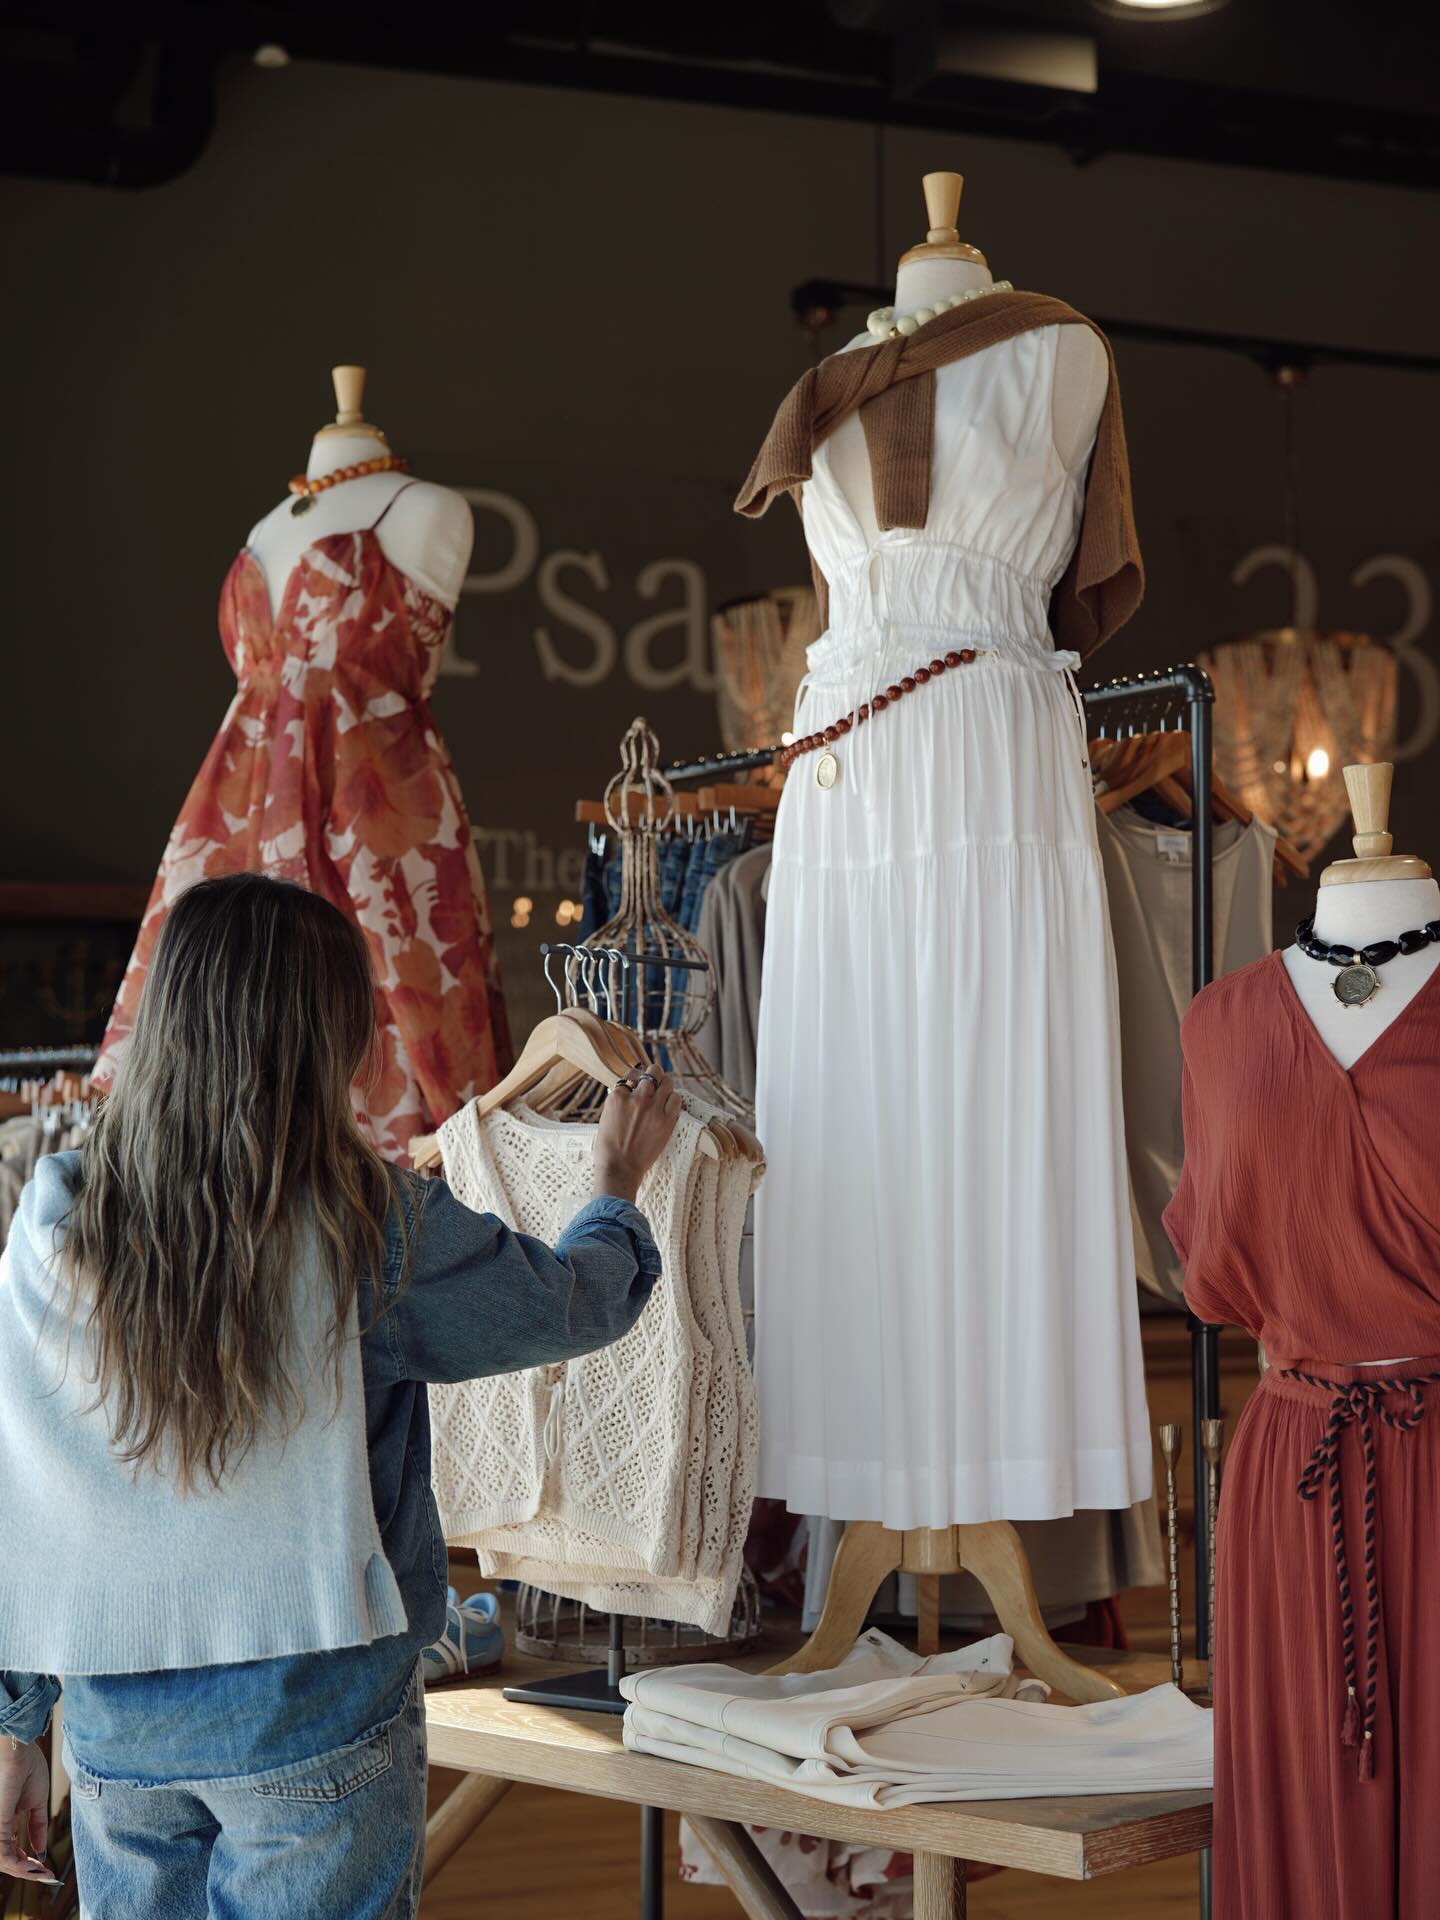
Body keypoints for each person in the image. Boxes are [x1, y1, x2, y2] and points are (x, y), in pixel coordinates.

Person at [0, 872, 679, 1915]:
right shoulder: (366, 1225)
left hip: (116, 1725)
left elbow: (28, 1496)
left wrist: (15, 1723)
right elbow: (573, 1304)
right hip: (314, 1712)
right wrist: (615, 1188)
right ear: (331, 1038)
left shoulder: (56, 1226)